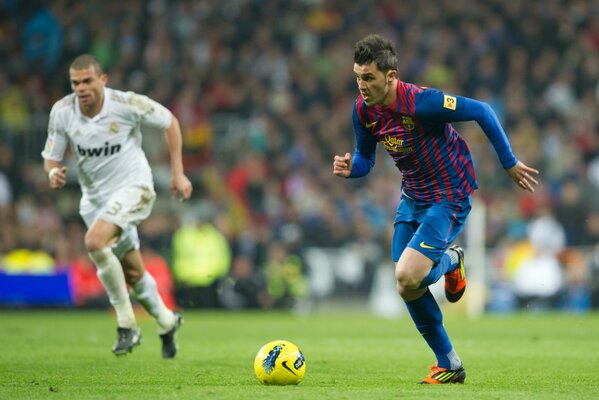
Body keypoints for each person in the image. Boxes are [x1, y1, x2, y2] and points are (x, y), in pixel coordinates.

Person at [333, 34, 539, 384]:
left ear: (391, 75)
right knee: (406, 285)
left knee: (406, 275)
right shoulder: (363, 110)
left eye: (369, 78)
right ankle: (450, 363)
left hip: (449, 194)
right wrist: (352, 168)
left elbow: (481, 111)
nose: (362, 85)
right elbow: (367, 157)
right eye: (358, 77)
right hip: (413, 197)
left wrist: (508, 162)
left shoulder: (422, 103)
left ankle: (451, 260)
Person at [42, 54, 193, 358]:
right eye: (75, 83)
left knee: (95, 242)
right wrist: (52, 172)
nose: (81, 88)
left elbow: (170, 122)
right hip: (95, 200)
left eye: (87, 81)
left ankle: (127, 324)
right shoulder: (62, 112)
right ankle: (166, 321)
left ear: (103, 80)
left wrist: (178, 172)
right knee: (134, 274)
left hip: (134, 188)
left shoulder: (126, 104)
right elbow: (51, 155)